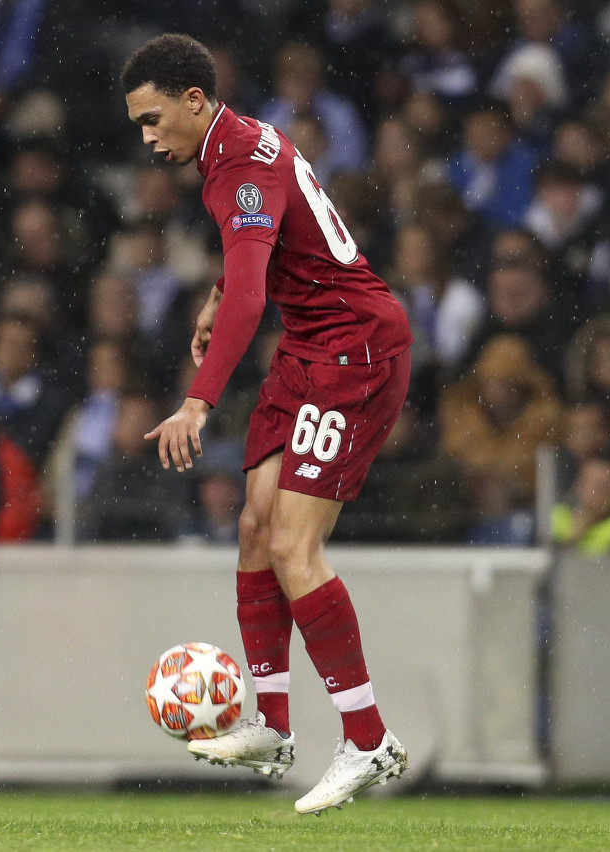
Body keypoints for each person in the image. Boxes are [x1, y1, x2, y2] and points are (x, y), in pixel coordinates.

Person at [121, 34, 411, 815]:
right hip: (309, 347)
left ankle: (368, 740)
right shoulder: (239, 143)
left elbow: (254, 297)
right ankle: (274, 727)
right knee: (254, 526)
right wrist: (218, 292)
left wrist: (197, 401)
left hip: (352, 347)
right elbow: (257, 255)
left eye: (152, 120)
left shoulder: (239, 166)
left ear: (193, 100)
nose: (147, 139)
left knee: (292, 545)